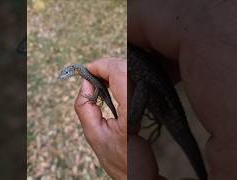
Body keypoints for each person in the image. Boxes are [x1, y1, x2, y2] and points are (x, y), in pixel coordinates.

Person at [129, 0, 237, 179]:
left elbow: (144, 87)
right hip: (160, 96)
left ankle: (133, 122)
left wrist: (133, 121)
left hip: (161, 97)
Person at [74, 59, 127, 179]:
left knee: (98, 90)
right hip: (102, 91)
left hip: (102, 91)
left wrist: (93, 99)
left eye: (66, 73)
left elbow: (98, 86)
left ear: (73, 70)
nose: (65, 76)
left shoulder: (84, 73)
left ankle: (95, 100)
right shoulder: (83, 71)